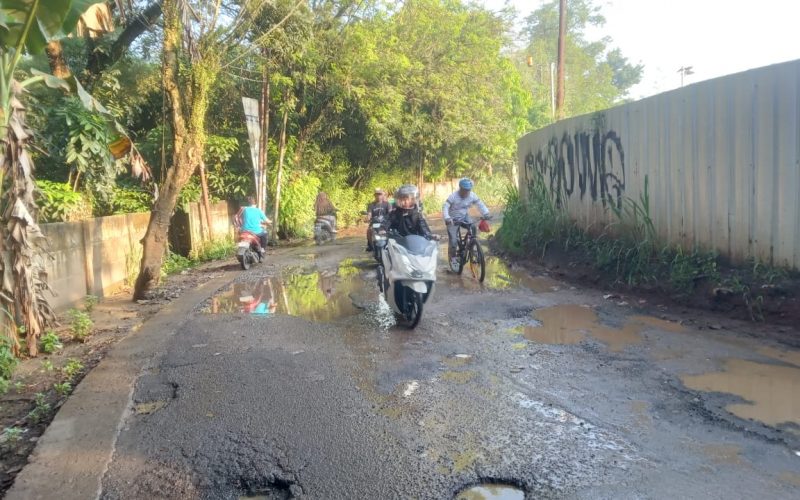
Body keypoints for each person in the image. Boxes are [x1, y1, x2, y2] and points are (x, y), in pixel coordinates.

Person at [443, 178, 490, 268]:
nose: (466, 192)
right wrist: (447, 218)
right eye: (464, 190)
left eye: (468, 190)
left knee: (473, 227)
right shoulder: (453, 196)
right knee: (453, 240)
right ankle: (453, 258)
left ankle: (472, 246)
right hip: (452, 219)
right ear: (460, 188)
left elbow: (480, 204)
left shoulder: (472, 195)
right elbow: (445, 206)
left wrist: (486, 213)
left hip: (464, 216)